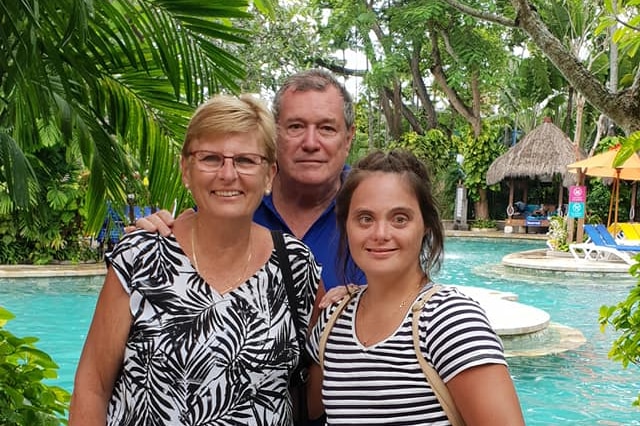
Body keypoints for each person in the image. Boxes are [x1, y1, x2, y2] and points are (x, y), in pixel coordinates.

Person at [69, 94, 321, 425]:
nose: (228, 174)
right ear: (186, 169)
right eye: (211, 158)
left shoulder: (295, 264)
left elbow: (317, 397)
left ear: (269, 175)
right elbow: (92, 387)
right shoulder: (140, 258)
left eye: (246, 160)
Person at [306, 150, 525, 425]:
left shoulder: (450, 320)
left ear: (425, 226)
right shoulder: (332, 322)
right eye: (365, 218)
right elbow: (306, 408)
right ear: (345, 226)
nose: (381, 233)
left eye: (400, 218)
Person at [134, 69, 366, 292]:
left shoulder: (374, 210)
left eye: (326, 128)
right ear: (274, 135)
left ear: (348, 138)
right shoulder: (233, 200)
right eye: (295, 127)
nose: (310, 143)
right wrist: (152, 235)